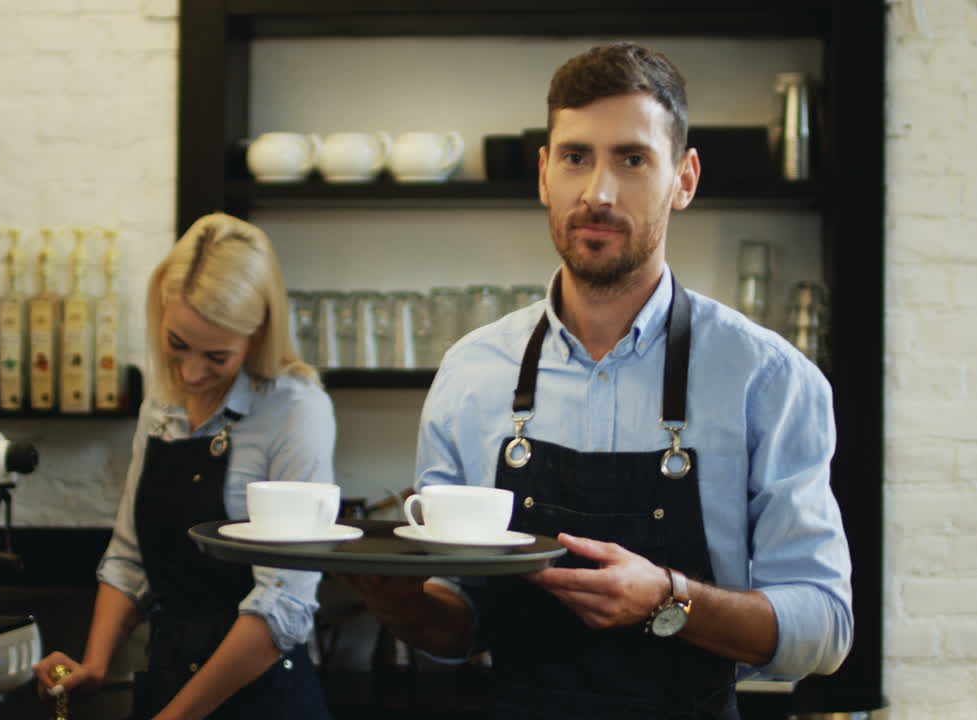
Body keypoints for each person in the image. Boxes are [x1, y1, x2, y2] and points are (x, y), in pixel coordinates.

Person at [348, 42, 852, 719]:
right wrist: (400, 600)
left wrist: (669, 598)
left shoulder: (767, 379)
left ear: (685, 179)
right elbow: (457, 626)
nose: (598, 192)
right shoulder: (473, 374)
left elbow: (823, 630)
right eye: (576, 157)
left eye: (633, 159)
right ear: (543, 174)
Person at [35, 213, 335, 720]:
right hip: (166, 687)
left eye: (217, 356)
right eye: (177, 346)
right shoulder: (164, 402)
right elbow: (130, 556)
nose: (193, 373)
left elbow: (282, 604)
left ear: (257, 333)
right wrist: (96, 663)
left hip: (260, 700)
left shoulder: (296, 410)